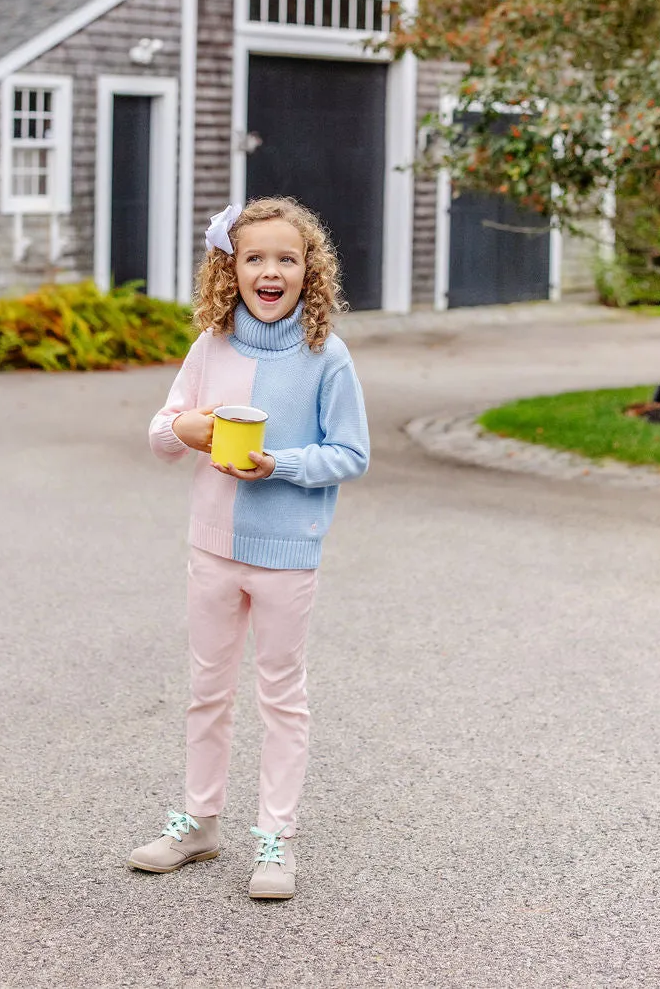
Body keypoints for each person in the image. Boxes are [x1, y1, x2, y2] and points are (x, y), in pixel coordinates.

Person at [127, 196, 370, 900]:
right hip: (213, 546)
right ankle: (200, 821)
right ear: (230, 270)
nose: (270, 270)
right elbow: (161, 434)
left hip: (288, 550)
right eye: (254, 258)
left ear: (309, 269)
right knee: (207, 690)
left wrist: (281, 463)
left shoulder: (328, 356)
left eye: (286, 258)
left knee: (280, 696)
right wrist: (190, 426)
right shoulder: (211, 346)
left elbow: (351, 453)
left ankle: (276, 837)